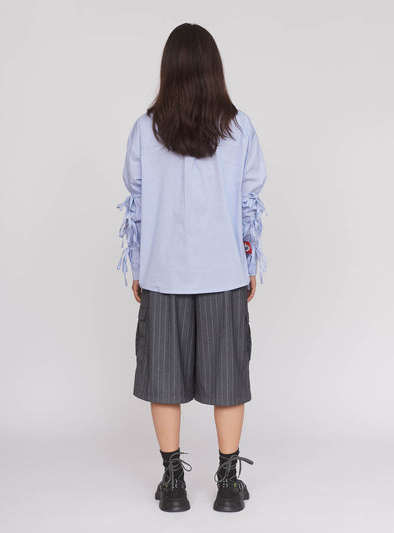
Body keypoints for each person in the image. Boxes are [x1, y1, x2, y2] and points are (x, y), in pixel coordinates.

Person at [116, 22, 268, 513]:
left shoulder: (146, 129)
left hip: (164, 273)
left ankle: (173, 485)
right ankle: (228, 485)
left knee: (164, 378)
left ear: (169, 70)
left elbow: (136, 204)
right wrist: (249, 263)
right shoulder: (239, 128)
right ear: (213, 71)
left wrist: (137, 266)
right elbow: (249, 202)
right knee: (228, 379)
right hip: (224, 272)